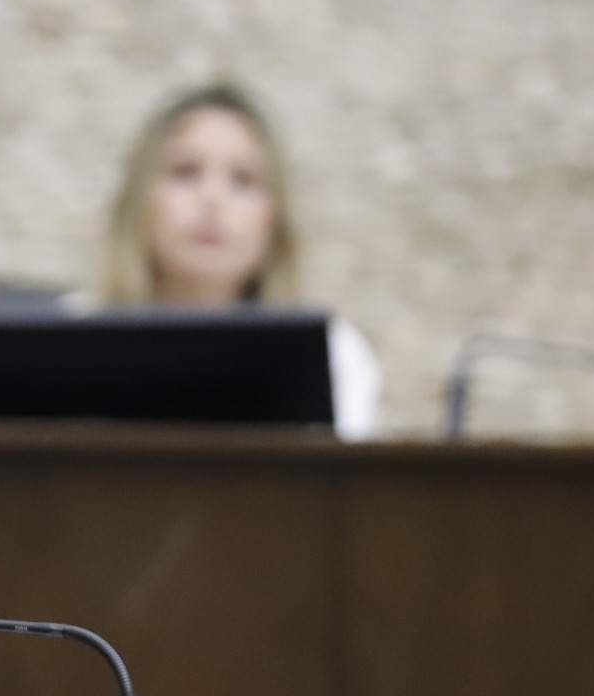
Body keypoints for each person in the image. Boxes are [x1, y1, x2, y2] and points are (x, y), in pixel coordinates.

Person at [95, 82, 380, 438]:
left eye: (243, 180)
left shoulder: (333, 354)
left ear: (274, 220)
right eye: (185, 172)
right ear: (140, 200)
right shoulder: (74, 341)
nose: (212, 198)